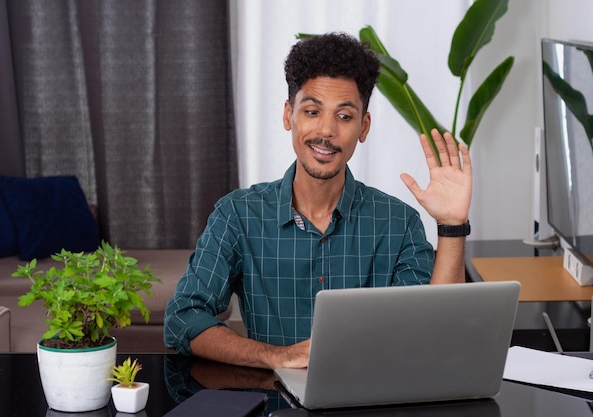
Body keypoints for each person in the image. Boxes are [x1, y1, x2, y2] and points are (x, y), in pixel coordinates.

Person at [164, 32, 472, 370]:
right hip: (275, 400)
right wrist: (279, 357)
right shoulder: (237, 215)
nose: (326, 131)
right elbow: (184, 319)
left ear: (363, 127)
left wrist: (452, 224)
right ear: (288, 115)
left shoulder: (398, 223)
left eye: (344, 116)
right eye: (312, 111)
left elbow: (432, 331)